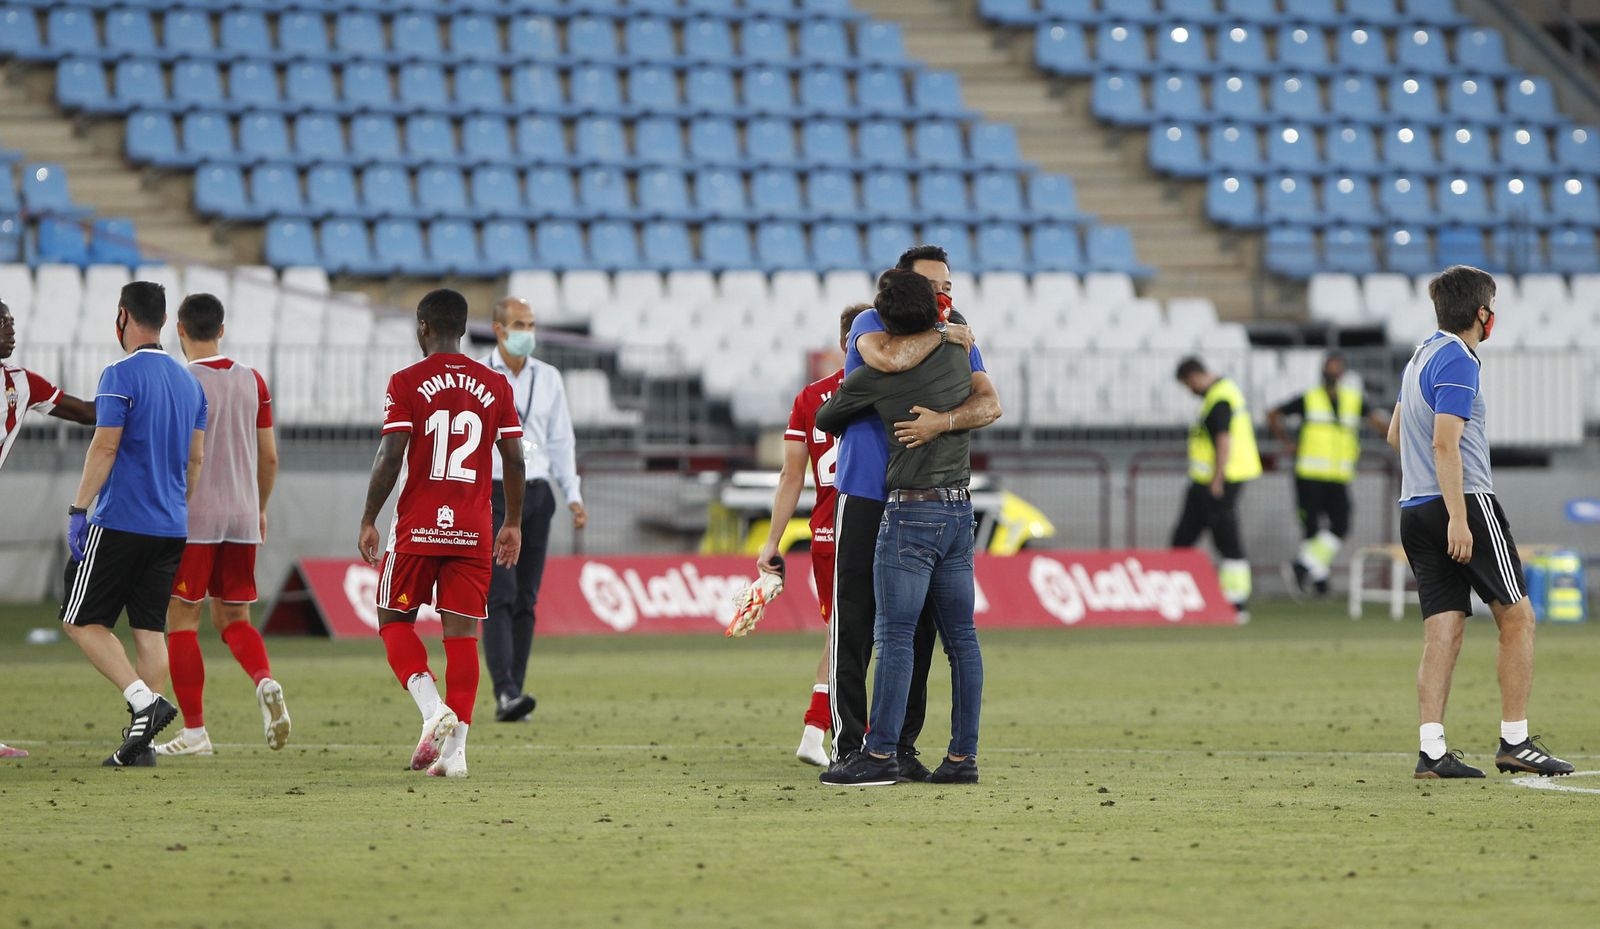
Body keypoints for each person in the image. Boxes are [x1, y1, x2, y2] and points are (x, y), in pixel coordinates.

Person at [1390, 265, 1571, 779]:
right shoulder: (1458, 359)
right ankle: (1515, 741)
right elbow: (1445, 443)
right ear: (1482, 313)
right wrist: (1457, 517)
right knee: (1517, 617)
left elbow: (1395, 435)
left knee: (1442, 630)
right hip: (1464, 502)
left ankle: (1432, 750)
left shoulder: (1419, 357)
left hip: (1413, 506)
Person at [828, 245, 1000, 781]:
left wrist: (941, 422)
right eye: (932, 286)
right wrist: (945, 334)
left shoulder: (956, 327)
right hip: (866, 490)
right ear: (905, 286)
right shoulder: (871, 323)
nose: (943, 295)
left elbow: (988, 404)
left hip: (915, 498)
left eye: (948, 286)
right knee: (857, 623)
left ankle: (896, 746)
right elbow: (887, 360)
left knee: (915, 634)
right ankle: (850, 743)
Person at [358, 289, 525, 778]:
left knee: (393, 621)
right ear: (465, 328)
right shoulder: (496, 384)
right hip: (473, 528)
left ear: (423, 327)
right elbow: (515, 459)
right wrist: (513, 521)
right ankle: (456, 756)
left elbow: (391, 455)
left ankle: (432, 709)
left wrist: (369, 517)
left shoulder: (406, 381)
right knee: (462, 637)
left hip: (417, 527)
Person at [60, 281, 208, 768]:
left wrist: (78, 510)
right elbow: (195, 460)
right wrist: (176, 505)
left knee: (80, 620)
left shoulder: (119, 374)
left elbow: (104, 446)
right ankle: (141, 747)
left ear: (123, 316)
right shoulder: (190, 384)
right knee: (149, 628)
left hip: (121, 520)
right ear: (164, 320)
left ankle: (145, 703)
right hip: (171, 526)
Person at [155, 294, 289, 758]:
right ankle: (264, 679)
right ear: (222, 330)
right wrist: (260, 508)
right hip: (243, 514)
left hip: (193, 516)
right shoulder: (253, 380)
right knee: (233, 618)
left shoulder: (178, 380)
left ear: (180, 330)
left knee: (182, 621)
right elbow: (269, 457)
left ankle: (195, 732)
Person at [755, 303, 869, 767]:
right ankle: (837, 730)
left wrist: (772, 541)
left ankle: (822, 729)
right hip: (867, 524)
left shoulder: (809, 398)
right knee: (859, 634)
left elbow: (791, 476)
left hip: (824, 531)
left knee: (843, 631)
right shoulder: (884, 391)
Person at [476, 297, 587, 722]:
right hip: (495, 491)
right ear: (499, 329)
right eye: (520, 324)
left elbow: (561, 440)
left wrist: (572, 493)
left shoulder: (550, 377)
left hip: (537, 492)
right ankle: (505, 690)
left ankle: (514, 694)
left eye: (531, 324)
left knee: (526, 598)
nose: (528, 332)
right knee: (499, 593)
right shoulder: (479, 377)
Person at [1, 297, 97, 759]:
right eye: (2, 321)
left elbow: (84, 412)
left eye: (11, 320)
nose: (11, 328)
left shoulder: (21, 382)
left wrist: (133, 401)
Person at [1267, 353, 1392, 596]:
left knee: (1341, 525)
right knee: (1311, 528)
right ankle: (1319, 581)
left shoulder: (1353, 399)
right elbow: (1273, 414)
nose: (1332, 374)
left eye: (1336, 369)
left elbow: (1376, 421)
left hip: (1338, 475)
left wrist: (1397, 436)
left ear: (1342, 374)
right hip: (1309, 473)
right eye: (1329, 369)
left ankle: (1303, 566)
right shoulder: (1309, 398)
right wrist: (1287, 442)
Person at [1172, 356, 1261, 620]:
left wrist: (1217, 480)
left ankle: (1236, 602)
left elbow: (1224, 441)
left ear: (1194, 377)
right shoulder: (1221, 394)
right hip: (1205, 482)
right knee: (1184, 536)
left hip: (1221, 481)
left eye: (1188, 384)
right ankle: (1177, 594)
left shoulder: (1220, 399)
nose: (1189, 390)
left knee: (1225, 536)